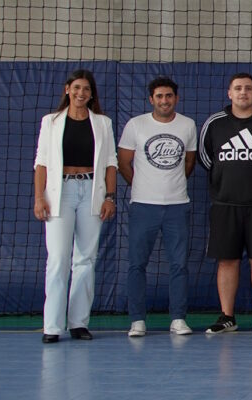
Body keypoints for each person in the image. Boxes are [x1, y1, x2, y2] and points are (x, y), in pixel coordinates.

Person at [198, 72, 252, 334]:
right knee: (227, 260)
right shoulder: (215, 123)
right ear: (229, 93)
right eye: (238, 88)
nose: (243, 93)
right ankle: (227, 316)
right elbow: (206, 158)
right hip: (225, 205)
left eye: (248, 88)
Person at [34, 69, 118, 343]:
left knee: (85, 259)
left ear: (91, 94)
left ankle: (78, 323)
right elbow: (42, 162)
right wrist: (39, 197)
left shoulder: (103, 123)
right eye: (77, 88)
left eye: (86, 89)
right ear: (67, 90)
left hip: (92, 192)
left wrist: (110, 197)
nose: (81, 93)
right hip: (60, 192)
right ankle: (52, 327)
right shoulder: (51, 122)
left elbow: (110, 163)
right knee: (58, 259)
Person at [119, 76, 196, 337]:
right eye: (159, 96)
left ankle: (178, 319)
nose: (164, 100)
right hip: (143, 206)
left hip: (177, 206)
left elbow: (188, 163)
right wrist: (143, 186)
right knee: (137, 264)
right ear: (151, 99)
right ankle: (137, 320)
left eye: (169, 96)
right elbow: (124, 163)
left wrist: (170, 185)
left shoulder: (188, 125)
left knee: (179, 265)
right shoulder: (135, 125)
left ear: (176, 98)